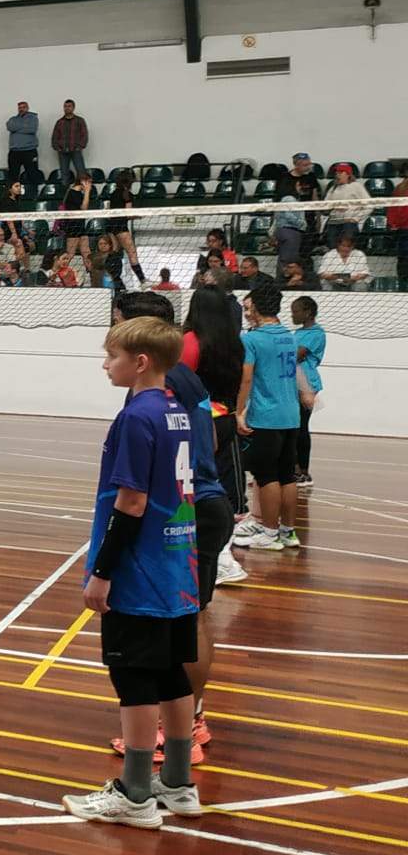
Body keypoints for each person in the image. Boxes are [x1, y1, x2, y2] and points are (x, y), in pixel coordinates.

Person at [61, 316, 202, 829]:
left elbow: (132, 501)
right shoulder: (177, 411)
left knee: (134, 677)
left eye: (111, 356)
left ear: (140, 362)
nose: (105, 365)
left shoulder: (136, 417)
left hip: (140, 570)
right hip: (177, 566)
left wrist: (103, 570)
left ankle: (135, 794)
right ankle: (179, 784)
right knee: (169, 672)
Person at [109, 292, 233, 766]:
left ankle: (183, 725)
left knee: (184, 619)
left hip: (189, 510)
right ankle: (185, 721)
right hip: (201, 503)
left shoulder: (160, 389)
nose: (109, 351)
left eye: (117, 332)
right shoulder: (184, 377)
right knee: (190, 615)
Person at [183, 285, 250, 585]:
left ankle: (213, 558)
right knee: (225, 486)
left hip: (199, 421)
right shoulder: (235, 344)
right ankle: (222, 553)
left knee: (194, 487)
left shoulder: (190, 343)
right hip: (225, 419)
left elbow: (181, 384)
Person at [235, 286, 303, 552]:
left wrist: (239, 411)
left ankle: (270, 532)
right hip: (291, 415)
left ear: (258, 307)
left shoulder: (252, 340)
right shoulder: (289, 336)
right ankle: (288, 532)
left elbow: (247, 378)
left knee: (266, 475)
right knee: (287, 475)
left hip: (266, 416)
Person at [292, 295, 325, 488]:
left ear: (308, 312)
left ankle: (303, 471)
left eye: (296, 311)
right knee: (293, 427)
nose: (293, 315)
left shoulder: (316, 333)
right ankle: (292, 468)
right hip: (292, 383)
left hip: (306, 385)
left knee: (301, 427)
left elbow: (297, 354)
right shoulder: (297, 332)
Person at [323, 164, 368, 246]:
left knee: (347, 247)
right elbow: (325, 205)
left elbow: (369, 205)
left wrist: (356, 218)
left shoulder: (356, 186)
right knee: (332, 248)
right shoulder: (333, 188)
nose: (337, 175)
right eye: (337, 173)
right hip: (333, 222)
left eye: (340, 172)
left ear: (348, 174)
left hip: (348, 224)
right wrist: (334, 207)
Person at [61, 170, 95, 264]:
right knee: (70, 254)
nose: (91, 185)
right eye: (89, 182)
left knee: (87, 253)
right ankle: (57, 274)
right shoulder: (73, 193)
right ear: (83, 181)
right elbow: (84, 208)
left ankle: (93, 276)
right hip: (73, 227)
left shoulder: (79, 193)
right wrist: (87, 192)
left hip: (81, 226)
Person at [51, 99, 89, 182]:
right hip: (62, 151)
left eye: (69, 106)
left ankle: (84, 191)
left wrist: (79, 147)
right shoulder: (59, 122)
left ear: (73, 108)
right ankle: (65, 192)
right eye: (65, 106)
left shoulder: (80, 120)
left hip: (76, 150)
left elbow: (84, 135)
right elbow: (54, 137)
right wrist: (57, 147)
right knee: (64, 173)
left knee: (81, 171)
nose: (67, 108)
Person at [5, 100, 40, 180]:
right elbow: (10, 127)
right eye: (19, 108)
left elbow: (32, 129)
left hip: (29, 151)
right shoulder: (13, 119)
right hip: (14, 151)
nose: (21, 109)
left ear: (27, 108)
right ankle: (14, 192)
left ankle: (33, 192)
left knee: (32, 174)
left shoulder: (33, 118)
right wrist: (24, 126)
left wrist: (16, 128)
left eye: (23, 107)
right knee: (13, 175)